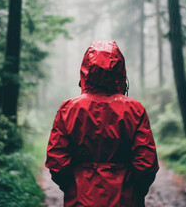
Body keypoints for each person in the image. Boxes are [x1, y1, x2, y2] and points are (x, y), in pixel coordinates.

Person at [45, 40, 159, 207]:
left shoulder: (68, 109)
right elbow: (146, 165)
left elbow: (57, 162)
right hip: (125, 199)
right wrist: (134, 191)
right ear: (121, 71)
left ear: (85, 70)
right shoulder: (135, 110)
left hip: (80, 200)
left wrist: (73, 187)